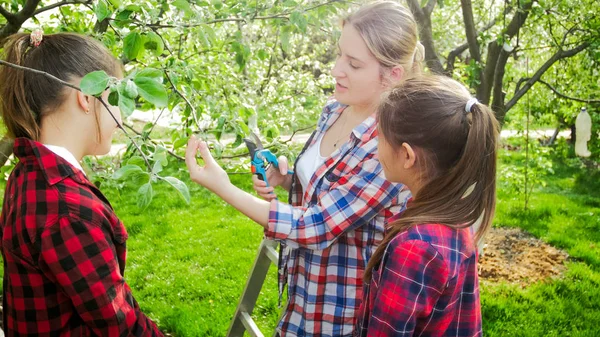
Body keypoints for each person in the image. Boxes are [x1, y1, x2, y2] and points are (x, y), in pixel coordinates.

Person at [185, 2, 422, 335]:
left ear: (393, 74)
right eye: (340, 54)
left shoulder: (390, 145)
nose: (336, 70)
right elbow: (327, 191)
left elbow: (317, 225)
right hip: (304, 296)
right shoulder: (335, 110)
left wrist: (223, 186)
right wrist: (287, 180)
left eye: (353, 64)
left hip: (342, 314)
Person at [0, 31, 163, 336]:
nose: (122, 118)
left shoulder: (30, 171)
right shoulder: (67, 211)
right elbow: (120, 326)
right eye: (117, 99)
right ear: (87, 97)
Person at [355, 75, 499, 336]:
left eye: (380, 138)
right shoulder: (454, 215)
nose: (377, 148)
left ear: (407, 155)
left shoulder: (414, 248)